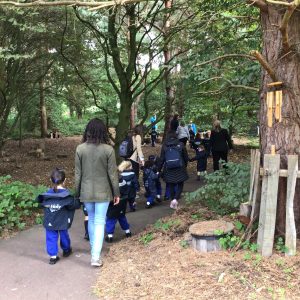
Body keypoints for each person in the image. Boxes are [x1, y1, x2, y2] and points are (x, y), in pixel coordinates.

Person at [75, 118, 120, 267]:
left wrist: (76, 193)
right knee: (100, 221)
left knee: (92, 219)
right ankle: (95, 256)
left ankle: (95, 251)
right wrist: (116, 193)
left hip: (86, 192)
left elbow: (78, 174)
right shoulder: (108, 150)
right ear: (103, 131)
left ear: (88, 130)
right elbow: (113, 174)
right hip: (103, 192)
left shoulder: (80, 149)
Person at [36, 168, 80, 265]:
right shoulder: (66, 196)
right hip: (63, 221)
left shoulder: (46, 195)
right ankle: (66, 250)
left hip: (50, 221)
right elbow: (75, 205)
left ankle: (53, 257)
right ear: (65, 180)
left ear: (50, 180)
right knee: (64, 235)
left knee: (50, 237)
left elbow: (40, 203)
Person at [159, 131, 189, 209]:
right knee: (180, 184)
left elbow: (162, 159)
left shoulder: (164, 146)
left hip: (169, 168)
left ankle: (172, 200)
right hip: (180, 167)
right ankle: (175, 199)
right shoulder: (181, 144)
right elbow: (186, 157)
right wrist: (185, 165)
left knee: (171, 184)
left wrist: (158, 169)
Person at [105, 168, 132, 243]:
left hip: (113, 204)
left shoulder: (109, 184)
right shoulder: (123, 181)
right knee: (122, 217)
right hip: (122, 203)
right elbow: (127, 191)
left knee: (111, 219)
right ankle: (128, 232)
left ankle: (110, 236)